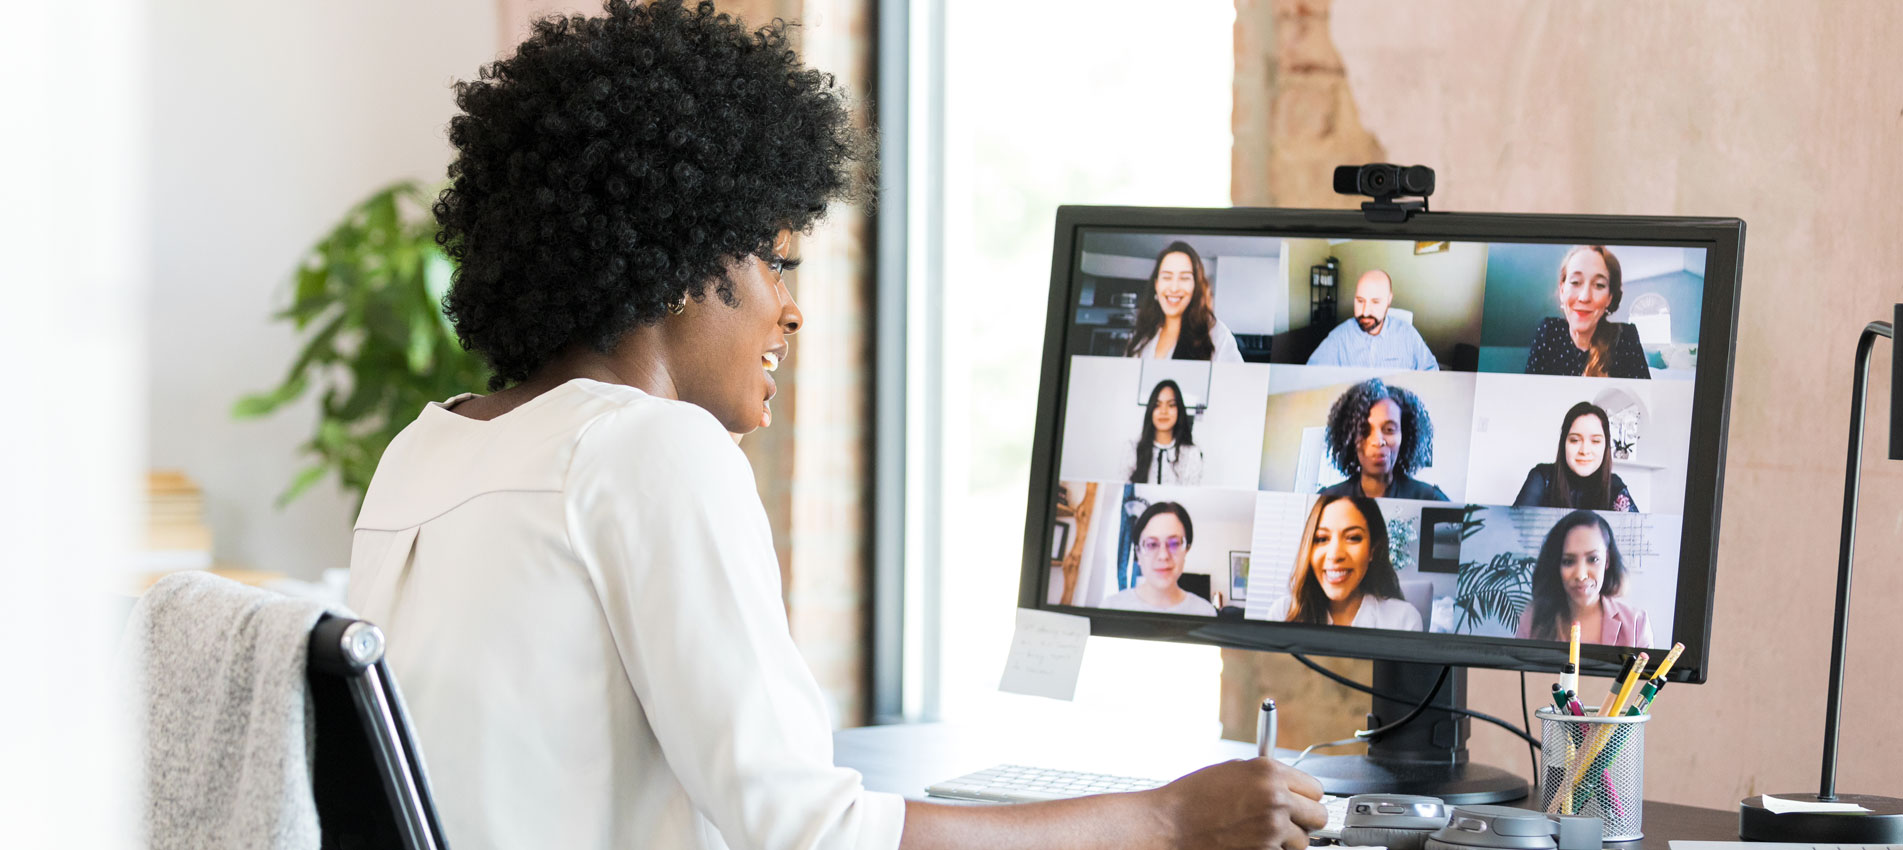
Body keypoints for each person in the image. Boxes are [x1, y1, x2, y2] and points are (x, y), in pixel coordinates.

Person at [342, 4, 1325, 850]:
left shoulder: (425, 449)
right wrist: (1159, 821)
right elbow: (807, 831)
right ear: (685, 260)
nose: (791, 309)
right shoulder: (649, 448)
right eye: (778, 264)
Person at [1262, 496, 1422, 630]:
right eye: (1322, 539)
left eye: (1353, 538)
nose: (1335, 555)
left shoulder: (1404, 620)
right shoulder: (1282, 614)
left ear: (1372, 550)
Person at [1515, 511, 1654, 647]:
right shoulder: (1530, 620)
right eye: (1568, 561)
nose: (1581, 575)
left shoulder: (1636, 623)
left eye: (1593, 559)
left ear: (1607, 560)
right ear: (1556, 564)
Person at [1523, 245, 1650, 379]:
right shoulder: (1549, 331)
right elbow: (1529, 393)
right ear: (1562, 290)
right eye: (1575, 282)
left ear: (1609, 298)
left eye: (1599, 285)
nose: (1584, 297)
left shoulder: (1625, 338)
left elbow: (1643, 398)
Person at [1317, 378, 1449, 501]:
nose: (1378, 441)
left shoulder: (1430, 499)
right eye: (1364, 431)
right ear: (1349, 438)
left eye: (1389, 430)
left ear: (1405, 435)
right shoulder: (1328, 499)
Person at [1123, 241, 1244, 362]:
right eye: (1167, 277)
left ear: (1196, 286)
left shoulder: (1216, 335)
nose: (1174, 288)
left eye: (1184, 278)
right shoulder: (1142, 334)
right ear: (1156, 284)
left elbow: (1237, 380)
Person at [1513, 402, 1638, 512]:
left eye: (1595, 441)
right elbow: (1514, 529)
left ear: (1606, 447)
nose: (1584, 451)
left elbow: (1638, 534)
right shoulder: (1542, 477)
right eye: (1575, 440)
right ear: (1563, 444)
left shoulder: (1614, 485)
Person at [1305, 269, 1439, 370]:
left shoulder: (1408, 335)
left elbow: (1431, 371)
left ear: (1388, 300)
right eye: (1360, 301)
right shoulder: (1339, 337)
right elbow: (1311, 375)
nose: (1365, 311)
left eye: (1375, 302)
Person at [1100, 502, 1218, 616]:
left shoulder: (1205, 612)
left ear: (1186, 550)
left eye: (1174, 543)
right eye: (1152, 544)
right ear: (1138, 553)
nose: (1163, 555)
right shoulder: (1111, 607)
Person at [1127, 380, 1203, 485]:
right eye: (1157, 405)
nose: (1164, 411)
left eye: (1171, 405)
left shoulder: (1191, 453)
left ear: (1179, 410)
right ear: (1150, 410)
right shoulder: (1132, 449)